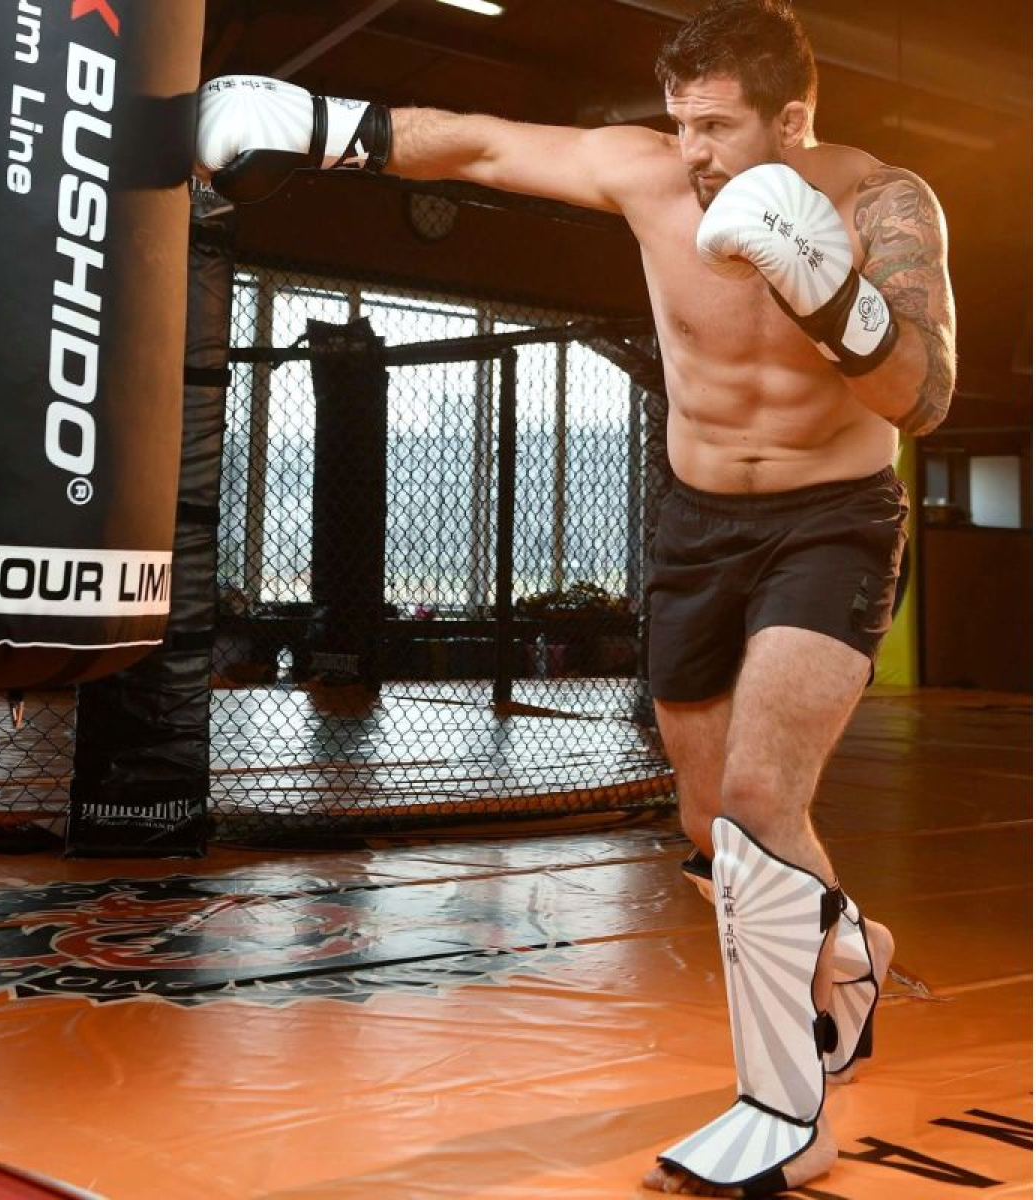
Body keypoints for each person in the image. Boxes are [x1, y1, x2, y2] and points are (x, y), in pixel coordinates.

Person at [194, 2, 955, 1192]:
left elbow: (926, 395)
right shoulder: (651, 175)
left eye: (717, 127)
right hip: (696, 525)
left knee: (760, 799)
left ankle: (784, 1113)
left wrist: (831, 290)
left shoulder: (882, 202)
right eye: (680, 122)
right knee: (709, 823)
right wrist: (327, 123)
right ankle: (847, 950)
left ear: (793, 120)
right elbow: (487, 144)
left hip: (832, 524)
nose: (692, 151)